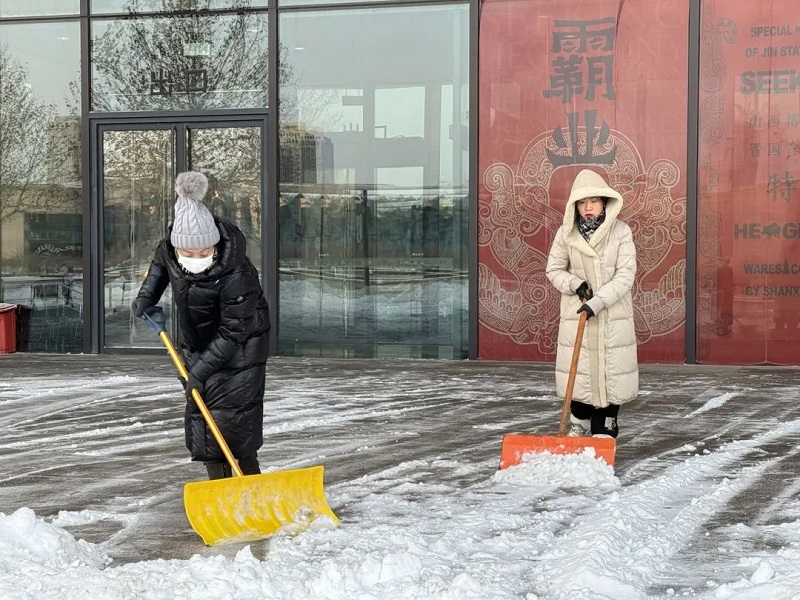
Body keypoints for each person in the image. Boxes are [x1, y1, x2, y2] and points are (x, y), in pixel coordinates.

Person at [132, 171, 270, 479]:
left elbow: (233, 332)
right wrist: (146, 296)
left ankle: (250, 482)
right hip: (198, 341)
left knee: (234, 420)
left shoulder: (236, 274)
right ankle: (219, 487)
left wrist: (199, 371)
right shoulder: (170, 250)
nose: (196, 257)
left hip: (243, 344)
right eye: (189, 253)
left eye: (204, 252)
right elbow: (160, 266)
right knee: (205, 417)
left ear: (215, 245)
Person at [545, 169, 638, 438]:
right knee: (581, 378)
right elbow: (554, 270)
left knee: (610, 376)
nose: (588, 207)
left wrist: (597, 302)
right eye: (582, 202)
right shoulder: (566, 234)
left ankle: (604, 429)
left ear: (605, 202)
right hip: (577, 315)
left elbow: (625, 275)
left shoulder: (621, 232)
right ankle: (579, 422)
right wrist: (575, 284)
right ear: (574, 205)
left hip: (611, 316)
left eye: (594, 201)